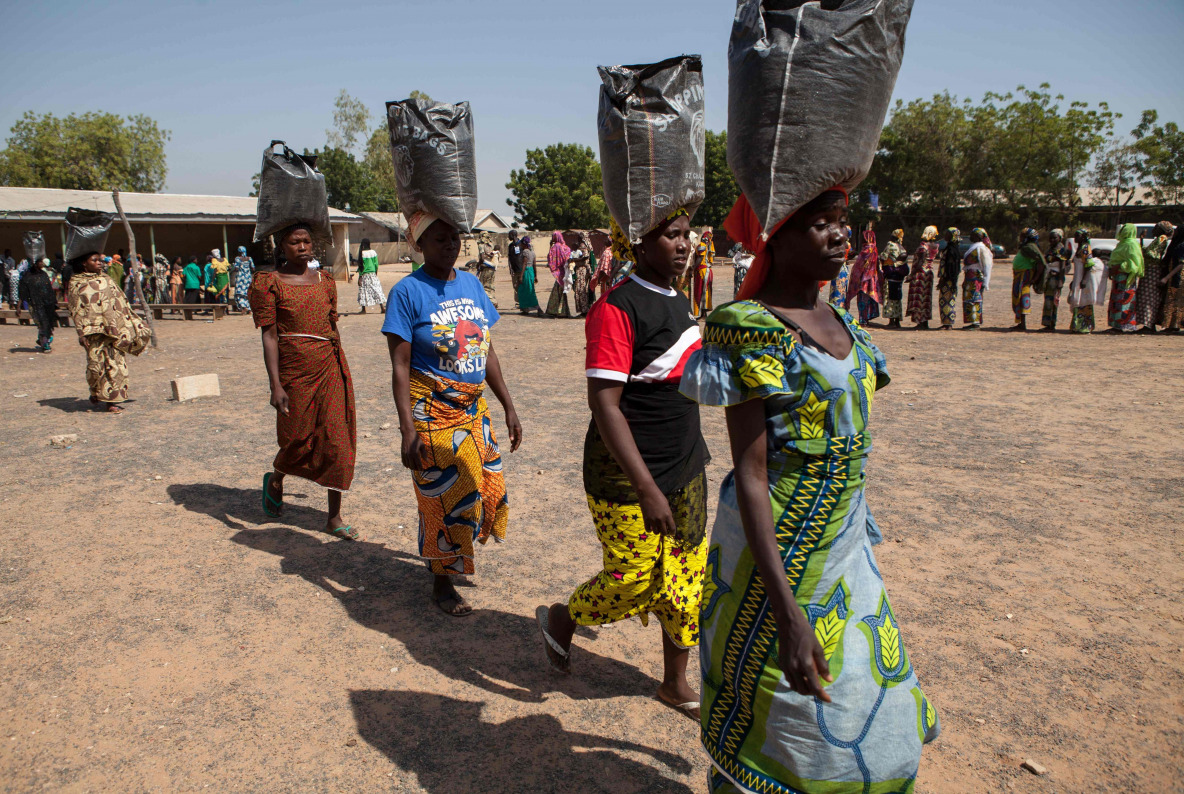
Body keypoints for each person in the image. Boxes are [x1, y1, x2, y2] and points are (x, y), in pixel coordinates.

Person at [681, 189, 938, 794]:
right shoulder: (747, 328)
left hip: (845, 546)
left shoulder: (844, 321)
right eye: (820, 225)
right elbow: (751, 472)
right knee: (780, 709)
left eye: (841, 223)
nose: (839, 236)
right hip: (774, 552)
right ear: (776, 240)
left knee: (877, 705)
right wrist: (787, 611)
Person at [537, 208, 709, 722]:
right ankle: (564, 618)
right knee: (633, 578)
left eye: (687, 235)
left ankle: (675, 684)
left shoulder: (681, 299)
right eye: (671, 235)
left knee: (685, 582)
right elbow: (605, 404)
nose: (684, 245)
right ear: (638, 241)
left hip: (686, 467)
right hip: (625, 476)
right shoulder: (617, 307)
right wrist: (647, 487)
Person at [383, 213, 522, 616]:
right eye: (439, 239)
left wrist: (508, 405)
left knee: (487, 488)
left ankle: (454, 553)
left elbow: (486, 350)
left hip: (473, 408)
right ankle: (442, 580)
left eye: (454, 237)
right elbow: (399, 366)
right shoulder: (407, 292)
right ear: (419, 245)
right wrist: (406, 429)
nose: (450, 245)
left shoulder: (472, 284)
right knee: (443, 497)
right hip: (431, 411)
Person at [251, 223, 357, 540]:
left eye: (307, 241)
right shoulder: (269, 283)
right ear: (281, 247)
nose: (302, 246)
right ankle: (276, 479)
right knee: (296, 437)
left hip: (329, 366)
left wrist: (339, 365)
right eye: (295, 241)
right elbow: (269, 336)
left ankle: (334, 517)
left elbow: (332, 326)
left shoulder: (325, 281)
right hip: (294, 369)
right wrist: (275, 385)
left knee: (337, 441)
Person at [67, 250, 151, 412]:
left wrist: (125, 323)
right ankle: (96, 392)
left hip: (113, 329)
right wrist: (81, 333)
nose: (100, 263)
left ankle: (111, 401)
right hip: (93, 331)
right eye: (94, 260)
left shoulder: (107, 279)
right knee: (95, 365)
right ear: (84, 263)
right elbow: (75, 308)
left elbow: (120, 301)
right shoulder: (76, 283)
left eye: (100, 260)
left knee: (115, 365)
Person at [1137, 221, 1174, 333]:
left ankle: (1149, 325)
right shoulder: (1160, 239)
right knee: (1148, 297)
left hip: (1152, 270)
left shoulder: (1161, 238)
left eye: (1156, 228)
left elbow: (1151, 254)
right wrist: (1141, 240)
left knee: (1149, 297)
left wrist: (1141, 250)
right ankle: (1148, 324)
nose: (1154, 230)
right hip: (1151, 269)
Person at [1106, 223, 1143, 334]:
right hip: (1117, 277)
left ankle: (1125, 325)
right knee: (1116, 300)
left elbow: (1134, 262)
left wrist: (1118, 266)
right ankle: (1116, 325)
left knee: (1124, 300)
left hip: (1126, 277)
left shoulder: (1131, 244)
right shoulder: (1122, 244)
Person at [19, 258, 58, 352]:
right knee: (42, 323)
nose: (42, 263)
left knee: (48, 323)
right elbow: (23, 292)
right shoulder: (27, 276)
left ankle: (42, 339)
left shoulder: (43, 274)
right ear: (34, 263)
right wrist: (18, 307)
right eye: (39, 262)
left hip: (47, 303)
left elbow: (48, 288)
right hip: (35, 304)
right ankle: (45, 344)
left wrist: (53, 302)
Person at [1068, 230, 1103, 334]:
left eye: (1077, 235)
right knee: (1077, 300)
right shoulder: (1079, 248)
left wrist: (1084, 280)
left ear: (1083, 237)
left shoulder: (1085, 248)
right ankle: (1077, 325)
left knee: (1083, 301)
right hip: (1078, 277)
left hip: (1083, 278)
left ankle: (1084, 326)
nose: (1075, 237)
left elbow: (1089, 264)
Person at [845, 228, 882, 325]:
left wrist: (856, 276)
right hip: (872, 278)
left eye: (863, 237)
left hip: (863, 279)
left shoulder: (866, 250)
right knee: (869, 297)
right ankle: (869, 316)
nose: (862, 239)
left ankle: (863, 319)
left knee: (862, 298)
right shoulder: (874, 248)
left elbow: (859, 265)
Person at [1011, 228, 1045, 331]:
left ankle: (1022, 324)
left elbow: (1041, 263)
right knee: (1018, 296)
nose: (1020, 238)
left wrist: (1035, 278)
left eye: (1023, 236)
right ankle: (1020, 322)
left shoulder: (1030, 248)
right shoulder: (1026, 247)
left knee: (1022, 297)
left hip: (1024, 275)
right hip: (1019, 275)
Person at [906, 225, 938, 329]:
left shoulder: (923, 248)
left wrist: (911, 275)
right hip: (929, 274)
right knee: (926, 299)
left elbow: (919, 263)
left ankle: (920, 321)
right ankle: (925, 321)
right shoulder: (933, 246)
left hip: (920, 274)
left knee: (919, 298)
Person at [962, 228, 994, 330]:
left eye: (972, 235)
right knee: (970, 299)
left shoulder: (981, 248)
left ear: (978, 236)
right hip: (970, 277)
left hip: (976, 277)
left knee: (975, 299)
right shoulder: (973, 247)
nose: (970, 236)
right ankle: (972, 321)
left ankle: (976, 323)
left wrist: (985, 281)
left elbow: (987, 265)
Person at [1040, 229, 1071, 331]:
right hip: (1049, 276)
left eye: (1055, 238)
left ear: (1060, 238)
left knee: (1053, 301)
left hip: (1056, 277)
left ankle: (1051, 324)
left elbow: (1062, 266)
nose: (1052, 240)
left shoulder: (1061, 250)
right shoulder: (1050, 248)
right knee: (1048, 300)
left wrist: (1061, 281)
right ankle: (1047, 323)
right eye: (1051, 238)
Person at [880, 229, 909, 327]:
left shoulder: (890, 245)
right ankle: (897, 320)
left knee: (890, 298)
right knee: (897, 298)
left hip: (891, 274)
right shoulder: (902, 247)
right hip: (899, 276)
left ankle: (891, 321)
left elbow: (883, 257)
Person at [1159, 226, 1184, 333]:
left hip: (1178, 278)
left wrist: (1166, 277)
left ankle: (1174, 326)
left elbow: (1181, 264)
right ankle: (1171, 325)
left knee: (1176, 302)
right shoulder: (1177, 244)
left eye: (1177, 230)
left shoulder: (1182, 246)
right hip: (1174, 276)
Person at [937, 227, 962, 329]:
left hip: (949, 280)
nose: (945, 235)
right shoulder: (949, 248)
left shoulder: (952, 250)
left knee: (948, 301)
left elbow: (951, 267)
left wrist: (945, 279)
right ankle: (946, 323)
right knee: (944, 300)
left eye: (948, 234)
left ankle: (948, 324)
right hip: (946, 279)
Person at [353, 239, 386, 314]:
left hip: (364, 275)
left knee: (363, 291)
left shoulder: (362, 253)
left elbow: (361, 266)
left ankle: (363, 309)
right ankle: (382, 307)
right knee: (377, 290)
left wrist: (360, 277)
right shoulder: (373, 252)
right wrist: (375, 273)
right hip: (373, 274)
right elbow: (376, 264)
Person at [545, 231, 572, 318]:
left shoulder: (555, 247)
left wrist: (550, 246)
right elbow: (569, 256)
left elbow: (550, 257)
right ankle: (563, 311)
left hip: (558, 272)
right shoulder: (565, 247)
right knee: (562, 291)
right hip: (566, 272)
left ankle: (556, 311)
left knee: (557, 292)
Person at [516, 236, 543, 316]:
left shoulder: (525, 252)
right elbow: (534, 264)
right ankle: (525, 309)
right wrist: (535, 275)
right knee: (529, 289)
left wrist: (521, 276)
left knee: (524, 290)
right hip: (531, 272)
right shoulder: (532, 252)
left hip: (526, 272)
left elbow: (524, 263)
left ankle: (537, 308)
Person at [692, 230, 715, 318]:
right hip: (708, 271)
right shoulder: (708, 246)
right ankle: (703, 314)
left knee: (701, 292)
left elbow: (700, 258)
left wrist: (693, 268)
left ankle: (703, 315)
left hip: (702, 271)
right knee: (706, 292)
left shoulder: (702, 245)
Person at [474, 233, 499, 309]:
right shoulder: (491, 245)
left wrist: (478, 264)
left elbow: (482, 258)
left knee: (483, 286)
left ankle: (492, 302)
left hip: (486, 268)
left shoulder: (481, 245)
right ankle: (492, 300)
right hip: (492, 268)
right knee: (490, 286)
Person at [232, 246, 256, 313]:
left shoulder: (237, 258)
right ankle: (249, 309)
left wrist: (233, 266)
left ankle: (244, 307)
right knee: (247, 292)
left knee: (239, 293)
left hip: (241, 278)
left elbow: (236, 268)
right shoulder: (249, 258)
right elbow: (253, 268)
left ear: (239, 252)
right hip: (248, 277)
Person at [506, 229, 524, 307]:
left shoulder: (521, 244)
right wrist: (510, 269)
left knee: (522, 285)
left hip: (521, 269)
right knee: (515, 286)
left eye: (509, 235)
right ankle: (518, 302)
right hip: (514, 269)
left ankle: (524, 301)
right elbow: (509, 258)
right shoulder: (510, 246)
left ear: (513, 235)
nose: (508, 237)